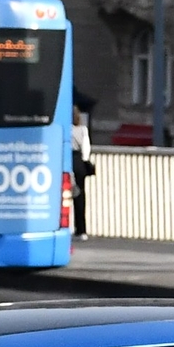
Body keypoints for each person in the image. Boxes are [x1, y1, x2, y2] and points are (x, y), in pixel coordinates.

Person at [70, 94, 95, 239]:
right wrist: (85, 161)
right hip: (79, 161)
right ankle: (81, 229)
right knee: (80, 196)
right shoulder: (83, 130)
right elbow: (86, 149)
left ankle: (64, 225)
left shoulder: (66, 129)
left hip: (67, 160)